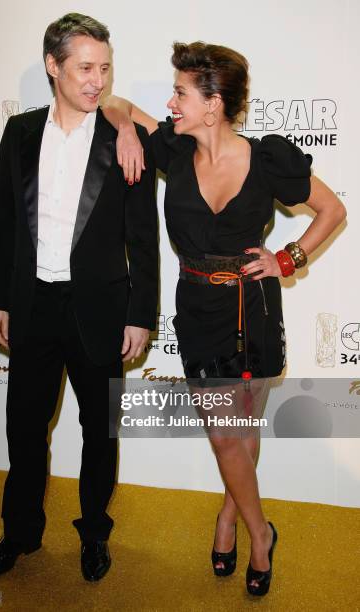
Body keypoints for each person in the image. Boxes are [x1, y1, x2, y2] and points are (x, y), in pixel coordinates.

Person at [102, 41, 346, 596]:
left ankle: (229, 518)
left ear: (213, 104)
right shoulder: (170, 146)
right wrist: (122, 129)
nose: (171, 101)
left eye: (182, 92)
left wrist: (288, 258)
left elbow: (333, 210)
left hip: (254, 308)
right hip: (199, 312)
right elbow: (114, 102)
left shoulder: (267, 161)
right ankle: (262, 534)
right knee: (225, 438)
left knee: (242, 432)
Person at [0, 13, 158, 583]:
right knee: (24, 430)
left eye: (104, 68)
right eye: (84, 67)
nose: (96, 80)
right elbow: (4, 223)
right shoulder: (20, 133)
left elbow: (143, 238)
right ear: (53, 67)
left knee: (99, 434)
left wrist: (140, 315)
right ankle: (19, 534)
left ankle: (94, 534)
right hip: (31, 307)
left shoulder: (124, 140)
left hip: (101, 310)